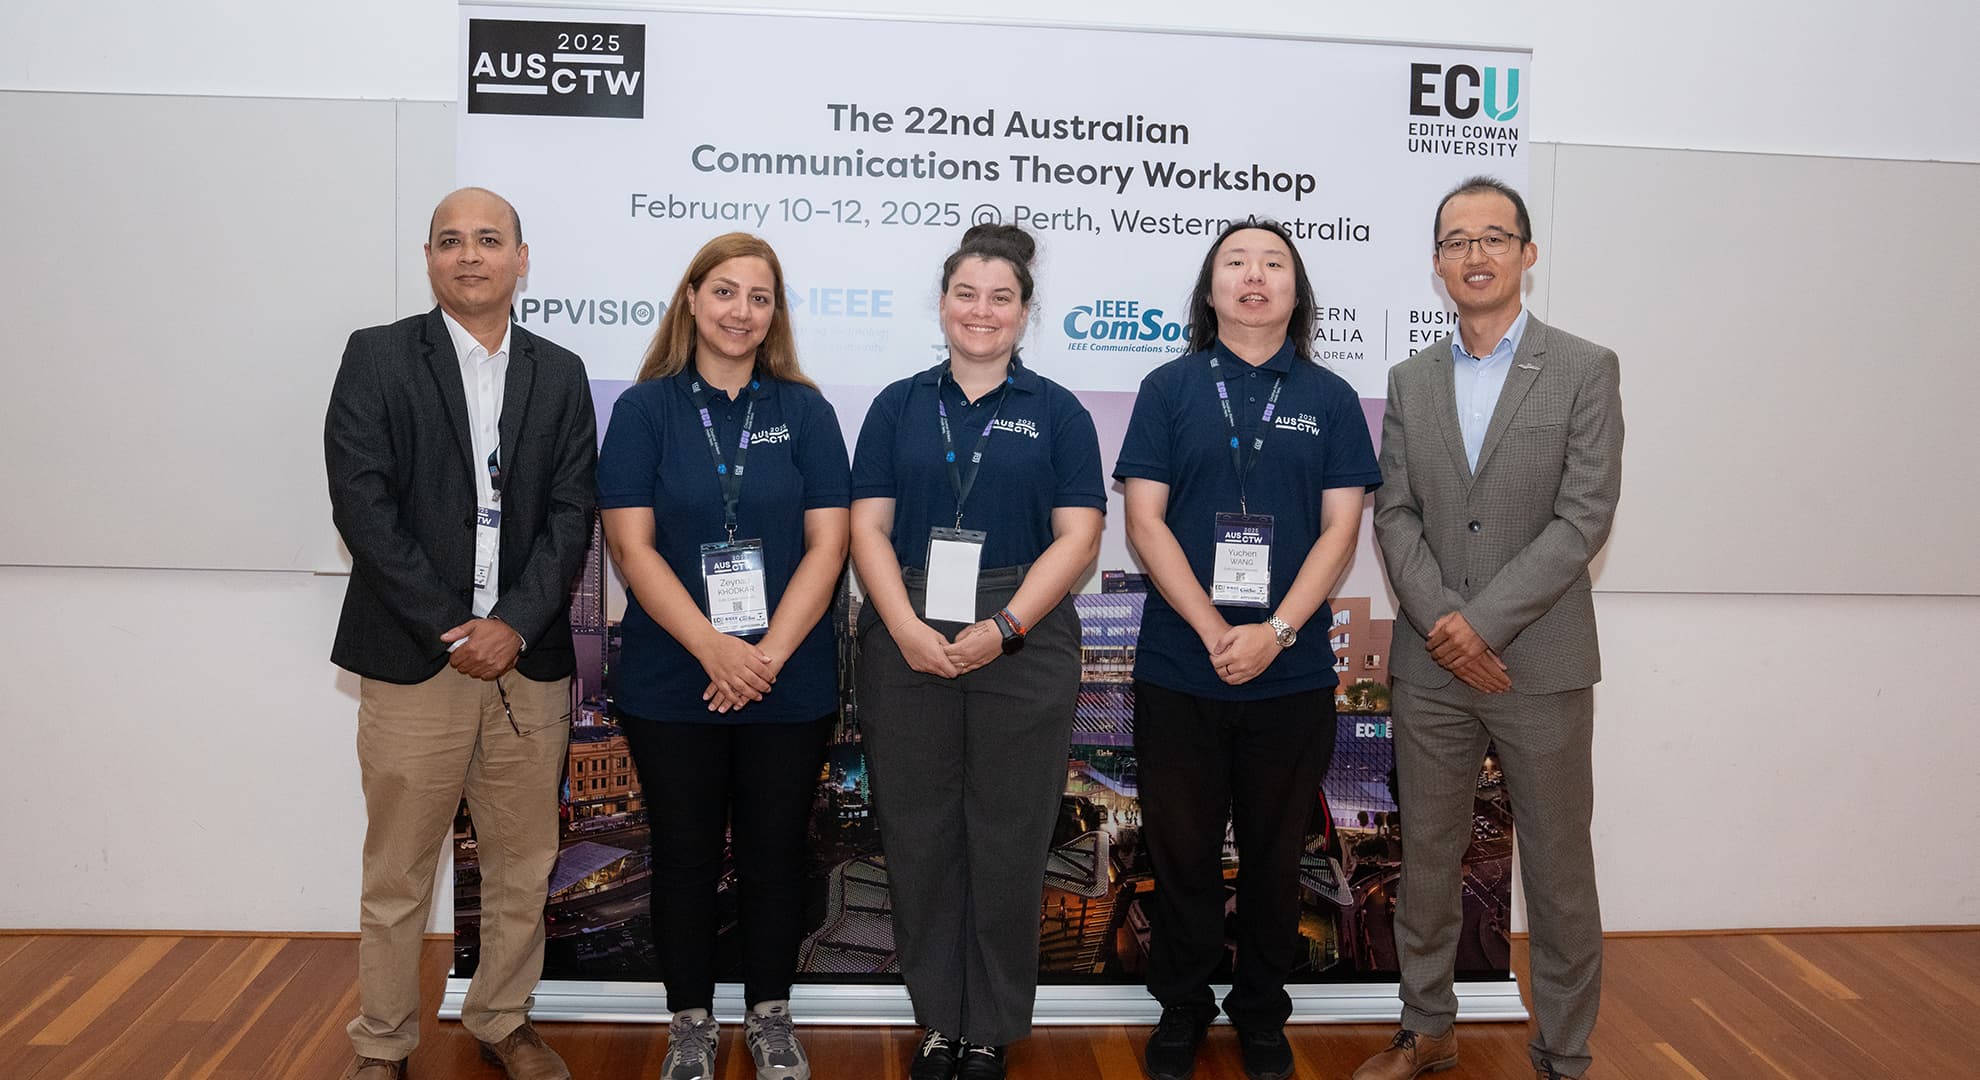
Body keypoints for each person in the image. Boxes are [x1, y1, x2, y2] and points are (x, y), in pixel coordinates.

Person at [1353, 177, 1623, 1080]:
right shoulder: (1409, 380)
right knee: (1423, 863)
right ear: (1436, 264)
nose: (1475, 255)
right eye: (1456, 241)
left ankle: (1564, 1053)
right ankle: (1426, 1029)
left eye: (1494, 238)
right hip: (1433, 668)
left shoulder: (1585, 367)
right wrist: (1444, 625)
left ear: (1527, 253)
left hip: (1540, 665)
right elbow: (1395, 515)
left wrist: (1484, 626)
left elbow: (1582, 519)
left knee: (1556, 872)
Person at [325, 187, 597, 1080]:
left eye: (489, 240)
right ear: (429, 258)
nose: (470, 255)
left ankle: (501, 1020)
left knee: (524, 867)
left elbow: (570, 514)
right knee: (398, 872)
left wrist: (512, 625)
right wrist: (454, 628)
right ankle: (383, 1044)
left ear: (523, 259)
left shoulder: (560, 372)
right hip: (415, 660)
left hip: (527, 663)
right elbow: (362, 505)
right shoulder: (377, 357)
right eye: (451, 241)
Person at [1113, 219, 1381, 1080]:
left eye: (1274, 265)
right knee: (1181, 853)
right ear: (1210, 288)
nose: (1255, 277)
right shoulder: (1168, 388)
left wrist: (1274, 632)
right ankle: (1183, 1007)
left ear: (1296, 292)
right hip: (1179, 664)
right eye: (1236, 263)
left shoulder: (1331, 398)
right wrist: (1210, 628)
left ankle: (1261, 1010)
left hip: (1290, 669)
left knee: (1274, 854)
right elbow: (1144, 522)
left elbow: (1341, 532)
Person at [849, 224, 1105, 1080]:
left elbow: (1078, 537)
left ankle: (989, 1026)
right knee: (920, 837)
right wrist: (905, 626)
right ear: (943, 302)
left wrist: (1005, 628)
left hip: (1023, 635)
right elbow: (868, 529)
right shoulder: (897, 405)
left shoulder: (1058, 412)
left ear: (1025, 313)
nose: (982, 311)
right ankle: (937, 1024)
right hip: (906, 630)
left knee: (1008, 839)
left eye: (1002, 298)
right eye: (967, 294)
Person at [596, 233, 851, 1080]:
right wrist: (714, 648)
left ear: (775, 314)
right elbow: (632, 549)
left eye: (761, 297)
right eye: (727, 292)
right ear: (693, 299)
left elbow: (830, 544)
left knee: (779, 854)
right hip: (677, 677)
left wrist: (766, 654)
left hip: (788, 677)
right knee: (686, 854)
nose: (742, 311)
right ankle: (691, 1024)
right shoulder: (644, 411)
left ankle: (771, 1016)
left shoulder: (806, 412)